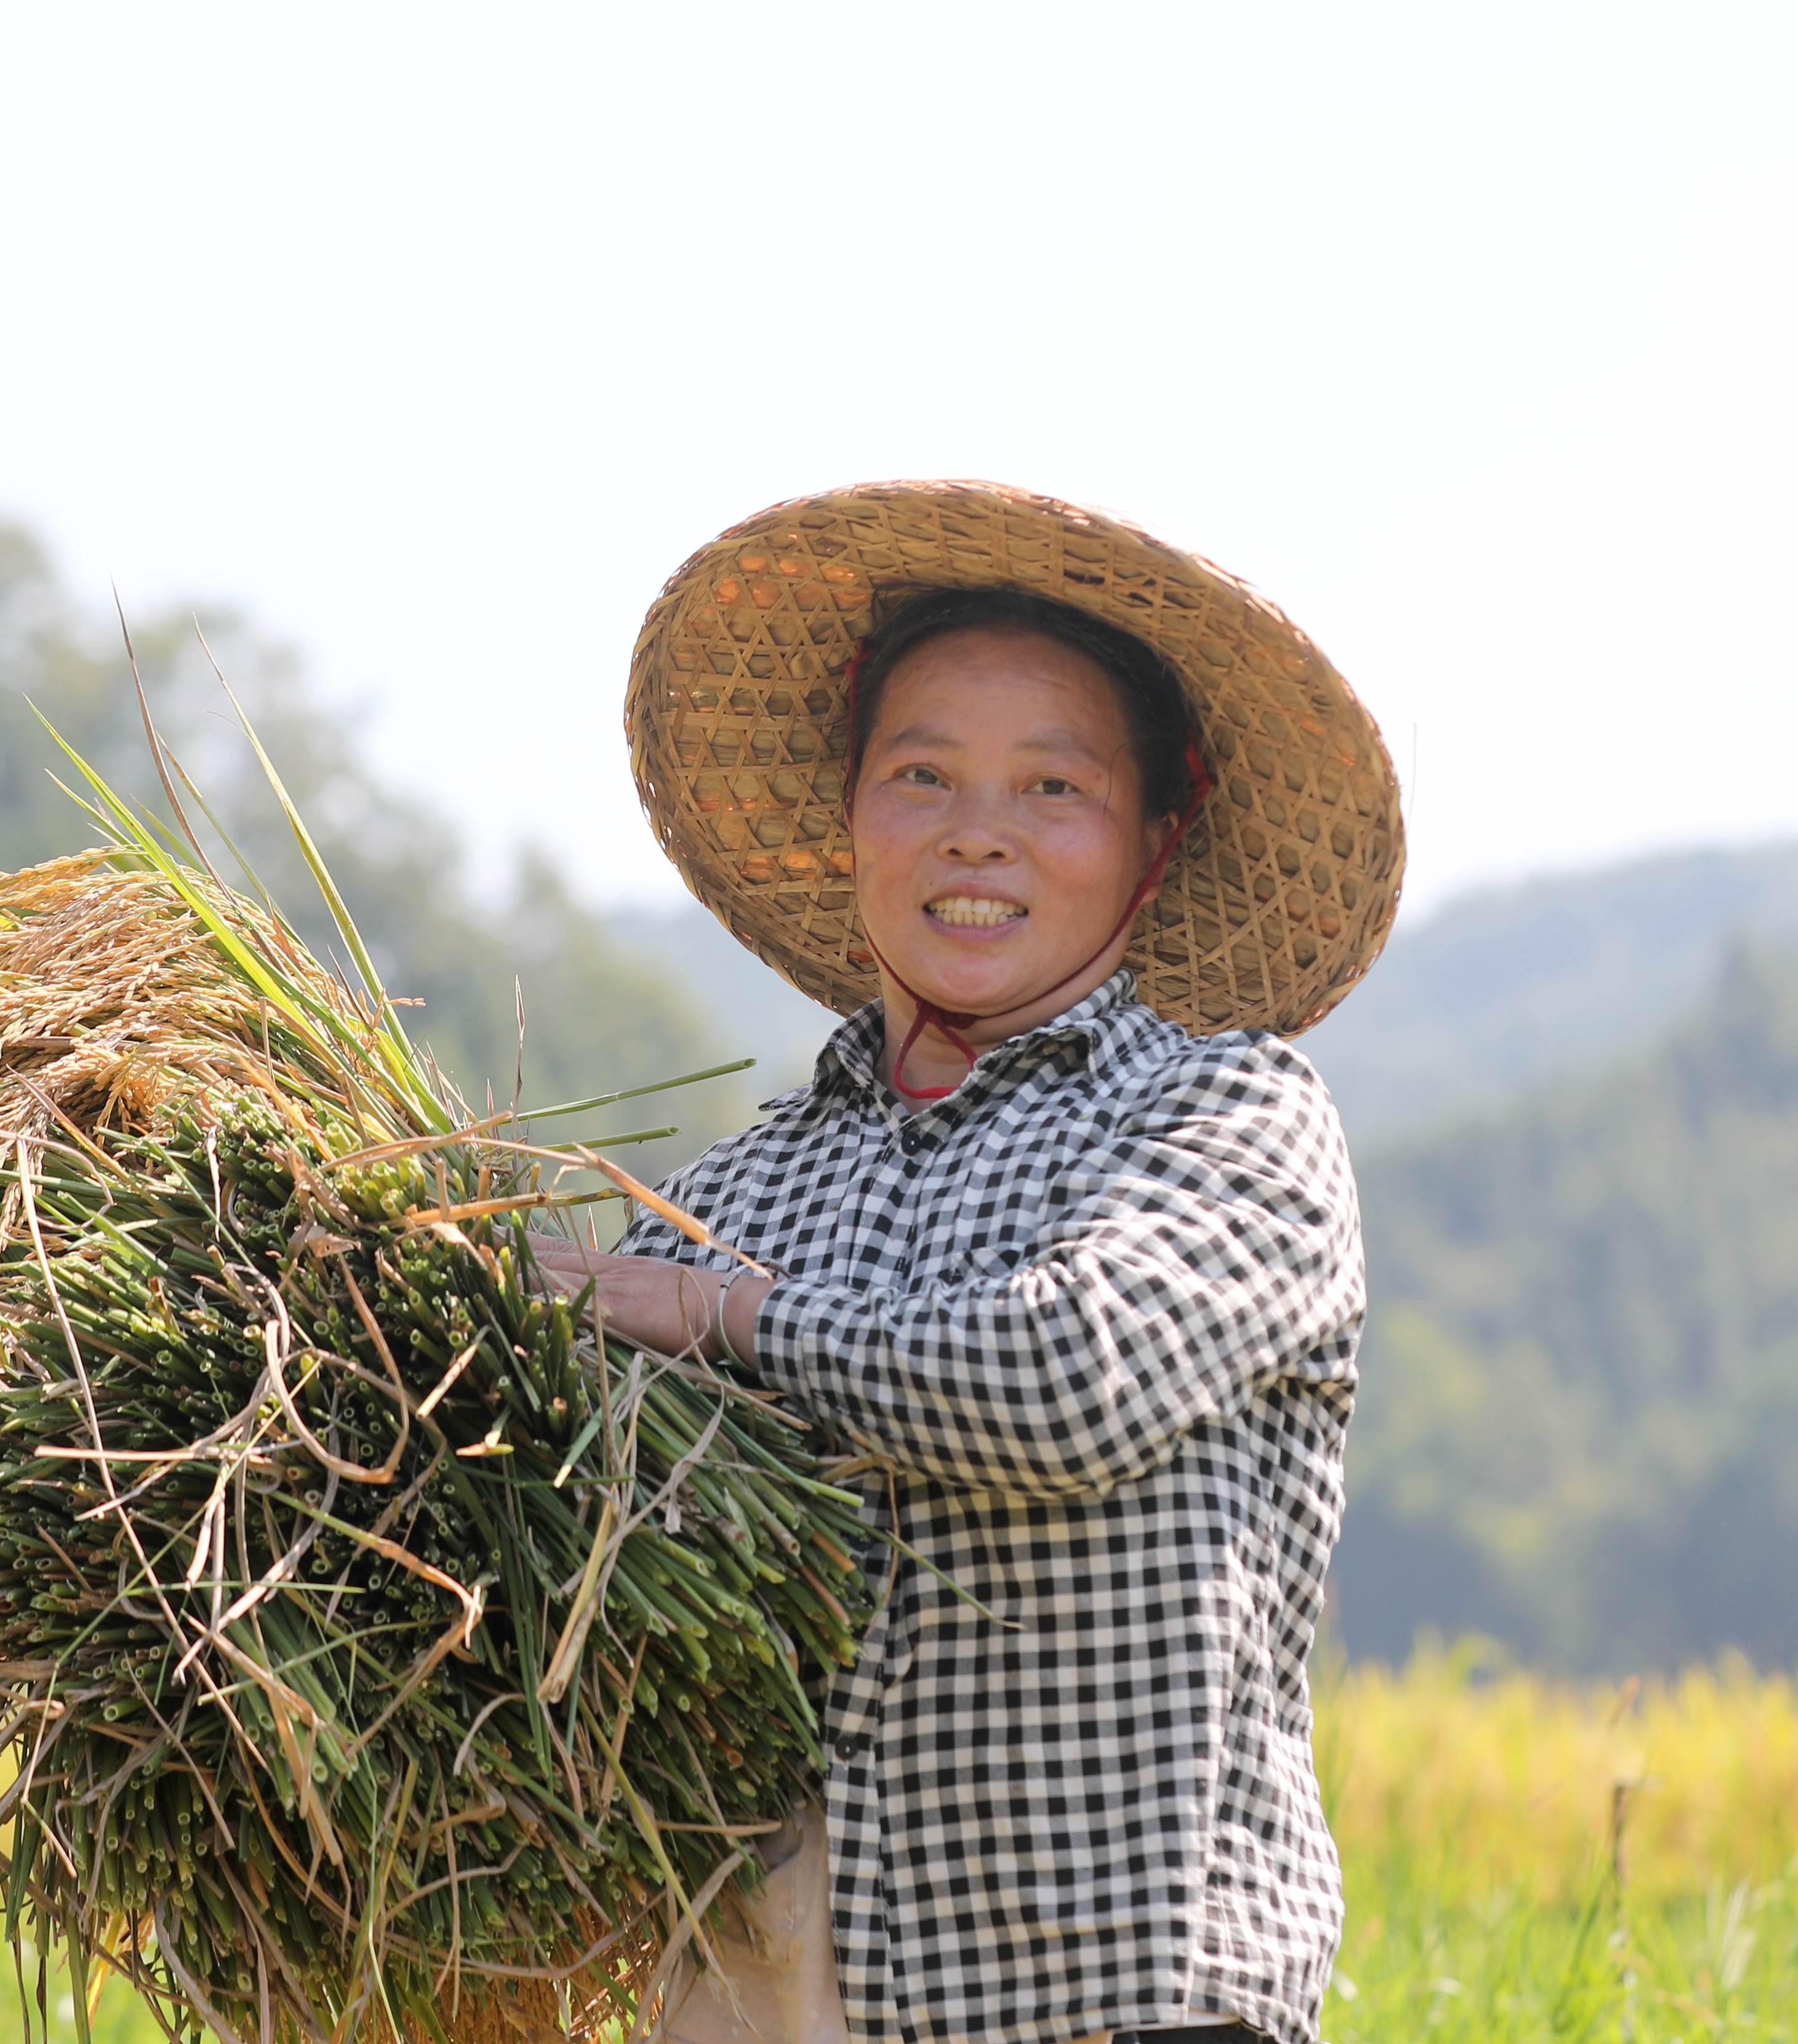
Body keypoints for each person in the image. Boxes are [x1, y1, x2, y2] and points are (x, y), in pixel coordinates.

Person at [534, 482, 1404, 2044]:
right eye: (919, 773)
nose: (975, 829)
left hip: (1124, 1999)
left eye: (1050, 785)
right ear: (852, 814)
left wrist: (727, 1321)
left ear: (1154, 839)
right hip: (793, 2003)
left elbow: (1064, 1378)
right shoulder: (740, 1191)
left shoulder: (1226, 1115)